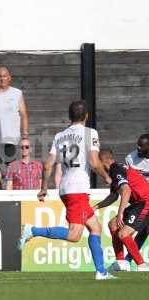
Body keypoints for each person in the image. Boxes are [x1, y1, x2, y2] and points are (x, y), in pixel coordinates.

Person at [18, 100, 115, 280]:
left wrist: (44, 188)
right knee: (74, 235)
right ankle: (32, 231)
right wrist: (107, 177)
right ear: (87, 115)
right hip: (77, 189)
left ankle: (101, 271)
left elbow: (48, 165)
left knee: (95, 227)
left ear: (69, 117)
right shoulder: (90, 133)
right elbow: (94, 162)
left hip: (65, 187)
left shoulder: (59, 136)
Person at [93, 148, 149, 272]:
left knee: (123, 234)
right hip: (138, 203)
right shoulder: (115, 171)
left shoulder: (115, 169)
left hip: (146, 203)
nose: (96, 166)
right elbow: (113, 196)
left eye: (97, 163)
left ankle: (141, 266)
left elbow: (126, 190)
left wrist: (120, 213)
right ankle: (121, 262)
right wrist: (95, 207)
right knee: (112, 224)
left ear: (103, 161)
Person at [106, 134, 149, 271]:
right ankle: (124, 262)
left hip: (145, 200)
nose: (137, 147)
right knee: (115, 225)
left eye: (141, 145)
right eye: (137, 144)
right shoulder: (131, 158)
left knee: (140, 231)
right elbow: (126, 183)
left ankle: (133, 262)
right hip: (140, 199)